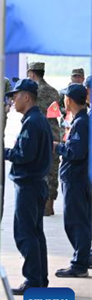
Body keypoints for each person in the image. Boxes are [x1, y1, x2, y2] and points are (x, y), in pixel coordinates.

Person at [4, 79, 52, 294]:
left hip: (29, 184)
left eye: (16, 95)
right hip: (35, 184)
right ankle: (39, 278)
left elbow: (24, 154)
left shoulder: (33, 122)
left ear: (26, 96)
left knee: (25, 233)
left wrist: (2, 151)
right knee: (34, 233)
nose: (13, 100)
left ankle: (33, 279)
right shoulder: (35, 119)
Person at [54, 83, 90, 278]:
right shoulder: (80, 120)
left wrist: (58, 147)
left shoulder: (81, 122)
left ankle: (79, 264)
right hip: (75, 177)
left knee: (76, 221)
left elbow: (76, 152)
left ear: (69, 100)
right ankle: (83, 258)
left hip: (76, 178)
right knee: (80, 220)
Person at [26, 62, 62, 216]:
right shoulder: (54, 92)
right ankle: (50, 204)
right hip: (53, 132)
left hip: (37, 133)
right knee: (53, 169)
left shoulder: (31, 92)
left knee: (36, 166)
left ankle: (38, 203)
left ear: (32, 74)